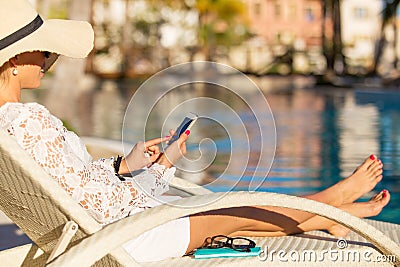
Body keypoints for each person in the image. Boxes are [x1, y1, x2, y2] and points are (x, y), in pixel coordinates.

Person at [0, 0, 391, 263]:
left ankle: (327, 211)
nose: (49, 58)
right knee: (236, 208)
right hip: (124, 237)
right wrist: (159, 169)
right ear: (16, 59)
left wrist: (124, 166)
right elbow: (100, 207)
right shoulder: (27, 121)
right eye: (43, 50)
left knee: (237, 211)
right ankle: (329, 203)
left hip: (92, 231)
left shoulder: (8, 125)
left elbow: (71, 190)